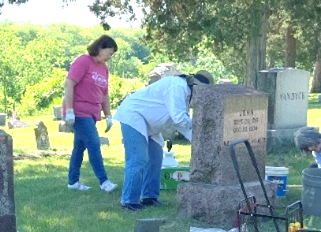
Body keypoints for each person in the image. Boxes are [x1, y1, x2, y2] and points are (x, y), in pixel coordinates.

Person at [113, 70, 213, 211]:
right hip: (133, 114)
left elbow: (181, 125)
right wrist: (200, 126)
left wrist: (199, 143)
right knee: (138, 158)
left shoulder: (185, 94)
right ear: (196, 87)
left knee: (155, 158)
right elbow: (179, 118)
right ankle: (129, 201)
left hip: (149, 122)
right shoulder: (178, 87)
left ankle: (149, 197)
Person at [63, 35, 119, 193]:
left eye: (112, 54)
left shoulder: (103, 68)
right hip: (79, 111)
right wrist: (69, 110)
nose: (110, 56)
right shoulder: (83, 61)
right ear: (100, 48)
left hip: (93, 113)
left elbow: (104, 94)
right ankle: (104, 181)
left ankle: (73, 182)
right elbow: (69, 84)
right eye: (109, 52)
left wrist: (108, 115)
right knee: (94, 143)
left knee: (79, 147)